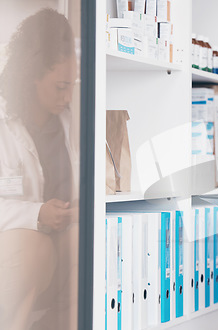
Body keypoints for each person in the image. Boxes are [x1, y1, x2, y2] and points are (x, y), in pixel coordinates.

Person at [0, 8, 79, 330]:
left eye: (72, 84)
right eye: (60, 86)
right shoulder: (5, 123)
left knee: (83, 242)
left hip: (62, 240)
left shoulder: (72, 118)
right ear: (32, 75)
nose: (68, 96)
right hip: (20, 245)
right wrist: (36, 214)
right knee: (34, 247)